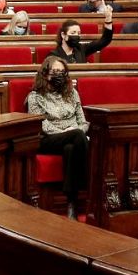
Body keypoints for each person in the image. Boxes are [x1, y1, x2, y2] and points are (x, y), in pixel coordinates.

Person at [27, 55, 88, 220]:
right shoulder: (35, 96)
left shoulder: (72, 93)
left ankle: (71, 203)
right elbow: (41, 125)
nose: (59, 75)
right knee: (77, 136)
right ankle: (86, 184)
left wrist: (76, 130)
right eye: (55, 71)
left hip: (73, 136)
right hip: (47, 139)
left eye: (62, 72)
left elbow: (83, 121)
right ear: (46, 73)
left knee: (71, 148)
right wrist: (68, 133)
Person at [48, 13, 114, 64]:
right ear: (63, 35)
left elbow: (105, 40)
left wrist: (108, 20)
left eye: (78, 33)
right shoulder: (54, 55)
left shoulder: (81, 49)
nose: (76, 35)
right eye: (73, 33)